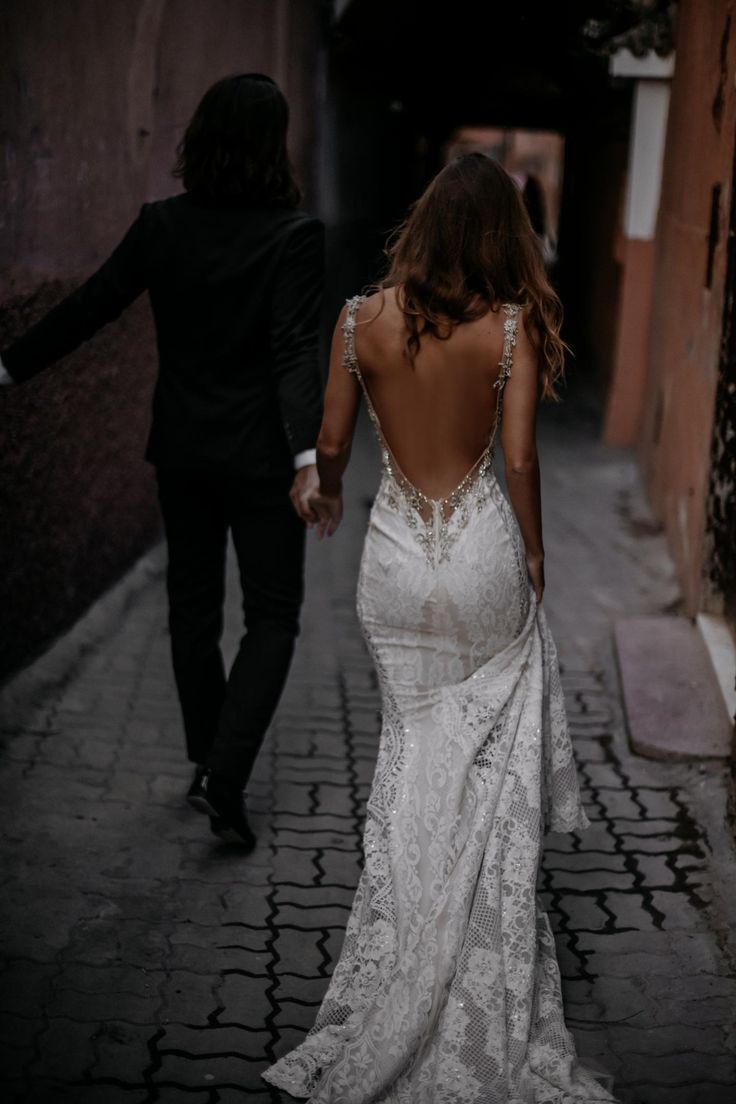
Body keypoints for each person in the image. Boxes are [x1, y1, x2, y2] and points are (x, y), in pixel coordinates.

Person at [263, 153, 616, 1101]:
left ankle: (407, 931)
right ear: (501, 235)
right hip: (478, 557)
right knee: (482, 764)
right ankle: (466, 935)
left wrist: (321, 489)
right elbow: (520, 458)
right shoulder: (508, 330)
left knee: (411, 748)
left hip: (392, 566)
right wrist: (536, 556)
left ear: (421, 227)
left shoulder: (356, 321)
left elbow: (333, 446)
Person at [0, 74, 324, 849]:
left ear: (200, 137)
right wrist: (310, 457)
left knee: (193, 612)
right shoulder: (294, 236)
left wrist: (8, 368)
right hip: (261, 460)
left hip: (182, 451)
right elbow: (293, 353)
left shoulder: (162, 227)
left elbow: (90, 307)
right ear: (272, 146)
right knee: (273, 617)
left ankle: (206, 762)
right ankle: (225, 773)